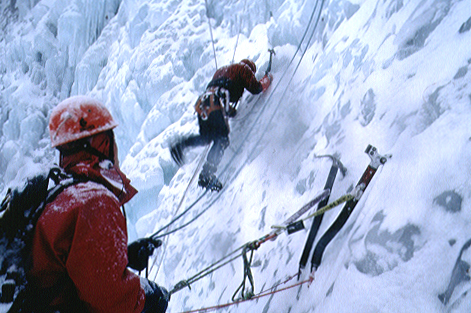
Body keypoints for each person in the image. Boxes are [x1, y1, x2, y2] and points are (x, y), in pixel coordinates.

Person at [28, 96, 168, 312]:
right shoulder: (93, 201)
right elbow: (116, 303)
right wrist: (149, 299)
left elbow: (67, 266)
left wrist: (124, 257)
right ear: (100, 143)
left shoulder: (60, 193)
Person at [170, 59, 273, 191]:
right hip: (216, 100)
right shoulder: (243, 69)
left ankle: (180, 145)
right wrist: (267, 78)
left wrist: (230, 111)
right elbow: (256, 88)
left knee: (207, 137)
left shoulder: (221, 71)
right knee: (222, 139)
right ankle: (207, 174)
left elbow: (221, 88)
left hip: (204, 102)